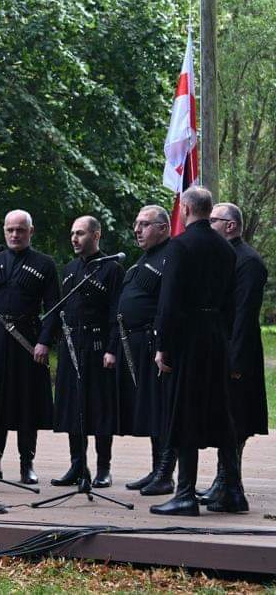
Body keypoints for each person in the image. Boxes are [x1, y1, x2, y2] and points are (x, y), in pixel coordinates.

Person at [151, 186, 240, 516]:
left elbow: (169, 300)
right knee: (221, 413)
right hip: (216, 337)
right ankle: (233, 491)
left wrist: (163, 346)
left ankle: (185, 494)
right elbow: (231, 301)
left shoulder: (180, 245)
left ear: (186, 209)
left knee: (185, 411)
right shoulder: (226, 248)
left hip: (188, 338)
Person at [0, 210, 58, 485]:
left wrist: (45, 341)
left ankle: (26, 464)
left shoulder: (44, 264)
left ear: (31, 231)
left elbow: (54, 308)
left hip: (27, 344)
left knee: (26, 403)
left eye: (20, 230)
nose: (15, 234)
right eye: (10, 230)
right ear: (4, 230)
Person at [196, 202, 269, 506]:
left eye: (213, 220)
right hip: (221, 348)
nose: (208, 224)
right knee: (224, 418)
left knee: (235, 420)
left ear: (231, 225)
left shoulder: (249, 261)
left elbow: (244, 315)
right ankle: (224, 483)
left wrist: (235, 361)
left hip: (238, 352)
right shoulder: (225, 256)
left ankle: (230, 486)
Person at [45, 216, 123, 488]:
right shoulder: (70, 269)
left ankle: (103, 469)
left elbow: (117, 312)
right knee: (73, 407)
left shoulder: (112, 268)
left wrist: (112, 349)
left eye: (80, 233)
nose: (74, 239)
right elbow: (61, 309)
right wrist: (46, 340)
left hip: (98, 347)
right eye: (72, 234)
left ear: (96, 235)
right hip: (71, 346)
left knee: (100, 408)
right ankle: (78, 465)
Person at [118, 205, 176, 496]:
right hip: (136, 343)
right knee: (152, 410)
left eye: (145, 224)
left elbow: (170, 304)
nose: (137, 230)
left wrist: (163, 344)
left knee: (163, 410)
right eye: (136, 224)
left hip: (156, 345)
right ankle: (156, 470)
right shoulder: (144, 258)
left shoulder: (172, 256)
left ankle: (166, 475)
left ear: (164, 228)